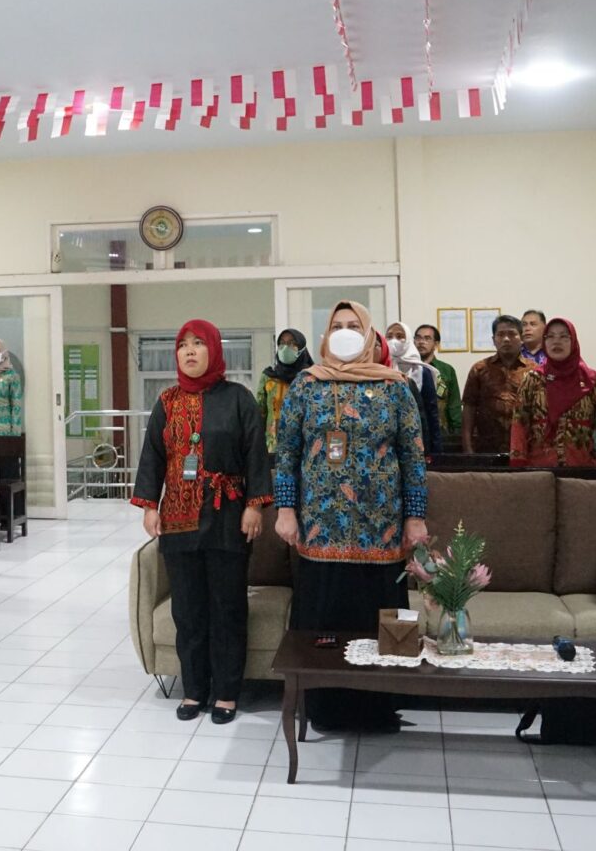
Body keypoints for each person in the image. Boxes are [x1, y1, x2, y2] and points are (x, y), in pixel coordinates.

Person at [274, 301, 427, 731]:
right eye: (338, 325)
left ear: (369, 335)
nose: (345, 331)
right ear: (325, 335)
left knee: (376, 621)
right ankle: (322, 708)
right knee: (323, 622)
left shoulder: (395, 386)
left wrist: (415, 517)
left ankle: (378, 708)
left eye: (354, 325)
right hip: (320, 529)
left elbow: (413, 457)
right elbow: (286, 453)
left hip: (382, 530)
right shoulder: (306, 384)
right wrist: (285, 509)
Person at [133, 319, 270, 725]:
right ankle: (194, 688)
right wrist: (149, 506)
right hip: (177, 519)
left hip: (227, 515)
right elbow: (153, 456)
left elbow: (256, 454)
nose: (190, 351)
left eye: (198, 343)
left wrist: (255, 505)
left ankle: (226, 691)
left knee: (227, 607)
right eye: (183, 345)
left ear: (214, 349)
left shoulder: (239, 398)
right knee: (188, 610)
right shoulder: (167, 401)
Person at [510, 318, 596, 467]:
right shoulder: (533, 379)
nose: (556, 341)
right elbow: (519, 424)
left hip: (581, 468)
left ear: (573, 341)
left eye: (564, 336)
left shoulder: (590, 379)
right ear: (544, 342)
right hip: (539, 469)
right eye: (550, 336)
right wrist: (518, 462)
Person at [461, 314, 534, 455]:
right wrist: (468, 449)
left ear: (522, 339)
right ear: (493, 340)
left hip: (524, 449)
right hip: (486, 449)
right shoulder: (479, 369)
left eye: (512, 334)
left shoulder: (534, 371)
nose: (506, 339)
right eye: (500, 334)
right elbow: (469, 409)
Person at [386, 322, 443, 455]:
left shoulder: (422, 371)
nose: (394, 341)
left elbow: (431, 413)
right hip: (386, 440)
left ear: (408, 339)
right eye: (389, 336)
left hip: (416, 438)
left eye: (399, 336)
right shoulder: (379, 369)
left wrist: (435, 450)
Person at [255, 329, 312, 453]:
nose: (286, 348)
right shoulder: (269, 377)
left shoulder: (311, 379)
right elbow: (259, 415)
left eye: (291, 343)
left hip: (304, 449)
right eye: (282, 343)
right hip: (273, 449)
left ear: (301, 347)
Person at [413, 324, 462, 438]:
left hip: (440, 433)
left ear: (436, 344)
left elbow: (454, 405)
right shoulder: (408, 369)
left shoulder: (446, 370)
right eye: (418, 338)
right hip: (413, 431)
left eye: (427, 338)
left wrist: (457, 432)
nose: (421, 342)